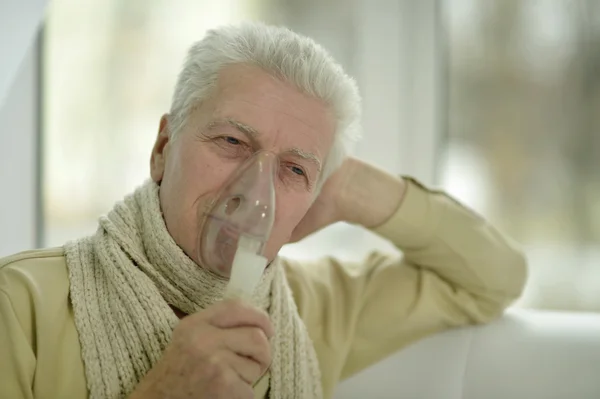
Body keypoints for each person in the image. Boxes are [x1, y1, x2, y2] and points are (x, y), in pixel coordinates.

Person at [0, 22, 527, 399]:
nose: (254, 195)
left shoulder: (316, 307)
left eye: (293, 171)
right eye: (231, 140)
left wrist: (350, 188)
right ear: (163, 148)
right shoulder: (21, 307)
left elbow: (492, 279)